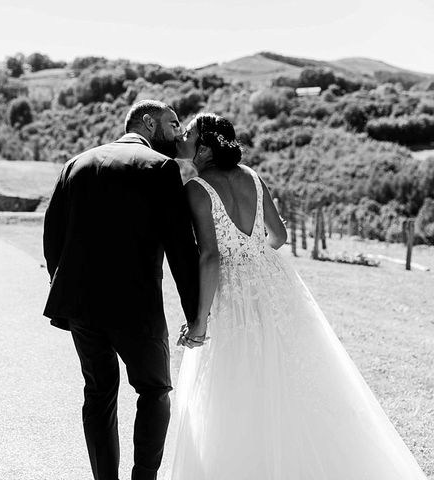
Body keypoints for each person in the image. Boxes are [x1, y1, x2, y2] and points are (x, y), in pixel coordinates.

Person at [165, 112, 428, 480]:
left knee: (234, 379)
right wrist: (253, 251)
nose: (183, 139)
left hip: (231, 288)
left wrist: (199, 319)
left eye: (189, 134)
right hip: (272, 282)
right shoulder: (253, 178)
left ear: (205, 147)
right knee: (285, 369)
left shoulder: (196, 189)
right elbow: (279, 236)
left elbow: (209, 255)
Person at [43, 100, 200, 480]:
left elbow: (53, 235)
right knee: (154, 391)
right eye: (173, 124)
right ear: (149, 122)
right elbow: (181, 248)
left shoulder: (76, 164)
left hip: (81, 305)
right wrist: (196, 313)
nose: (179, 133)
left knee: (98, 393)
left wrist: (63, 287)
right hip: (136, 306)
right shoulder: (160, 169)